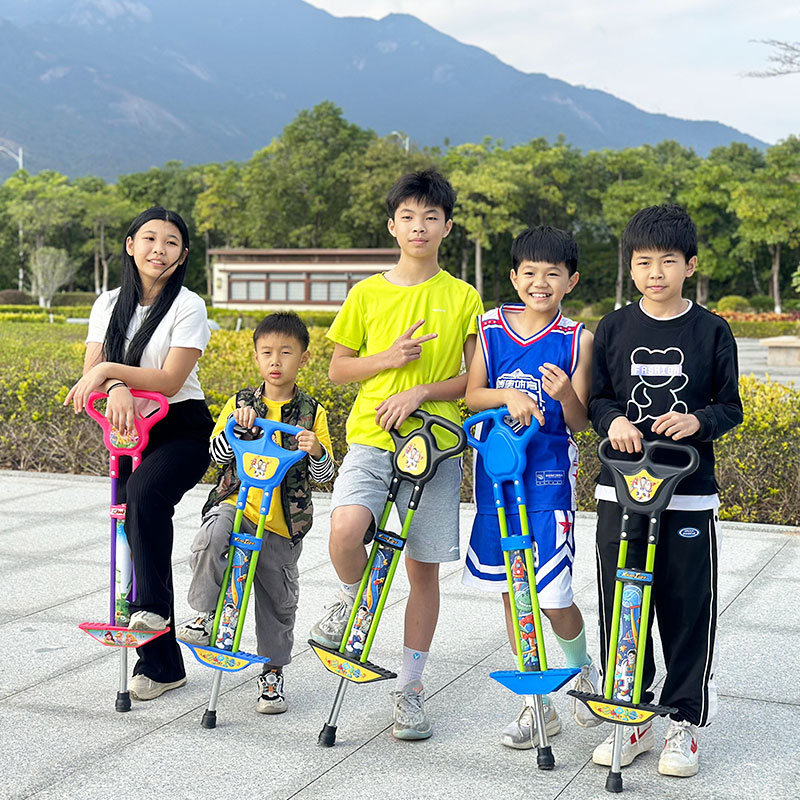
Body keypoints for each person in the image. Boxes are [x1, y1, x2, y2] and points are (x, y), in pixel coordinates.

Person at [308, 168, 483, 740]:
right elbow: (338, 369)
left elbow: (471, 382)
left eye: (430, 217)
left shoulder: (463, 296)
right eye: (408, 216)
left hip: (435, 443)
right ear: (392, 224)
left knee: (421, 569)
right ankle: (351, 599)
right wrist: (388, 360)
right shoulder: (367, 292)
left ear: (447, 226)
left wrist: (421, 390)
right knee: (344, 532)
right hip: (372, 435)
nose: (419, 226)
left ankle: (410, 688)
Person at [589, 204, 743, 777]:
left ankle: (683, 721)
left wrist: (699, 422)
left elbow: (731, 406)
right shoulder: (615, 327)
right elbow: (600, 397)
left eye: (668, 261)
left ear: (690, 266)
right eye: (644, 261)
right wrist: (613, 423)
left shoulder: (711, 330)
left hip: (689, 493)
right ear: (630, 267)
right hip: (621, 492)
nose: (656, 272)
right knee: (623, 604)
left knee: (685, 607)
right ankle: (631, 714)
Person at [65, 207, 214, 700]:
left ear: (183, 255)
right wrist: (116, 388)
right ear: (129, 244)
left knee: (146, 493)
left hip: (181, 429)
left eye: (171, 242)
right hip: (128, 427)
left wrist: (112, 372)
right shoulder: (107, 304)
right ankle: (163, 665)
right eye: (149, 238)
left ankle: (148, 614)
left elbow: (170, 380)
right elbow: (92, 379)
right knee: (133, 511)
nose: (159, 249)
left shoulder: (188, 306)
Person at [463, 225, 602, 749]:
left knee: (551, 593)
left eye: (552, 274)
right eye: (529, 273)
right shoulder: (490, 326)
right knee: (511, 590)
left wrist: (565, 394)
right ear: (513, 276)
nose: (539, 282)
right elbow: (473, 394)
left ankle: (580, 668)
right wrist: (506, 397)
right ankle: (534, 704)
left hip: (546, 483)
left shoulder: (577, 339)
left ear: (571, 280)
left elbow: (582, 421)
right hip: (497, 479)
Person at [176, 311, 334, 713]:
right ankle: (206, 613)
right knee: (212, 537)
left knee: (277, 599)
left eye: (286, 353)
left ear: (304, 358)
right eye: (267, 353)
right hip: (238, 503)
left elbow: (324, 474)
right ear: (256, 358)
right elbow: (216, 456)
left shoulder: (312, 412)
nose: (276, 361)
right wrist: (235, 427)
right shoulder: (240, 403)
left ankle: (272, 671)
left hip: (282, 521)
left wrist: (314, 449)